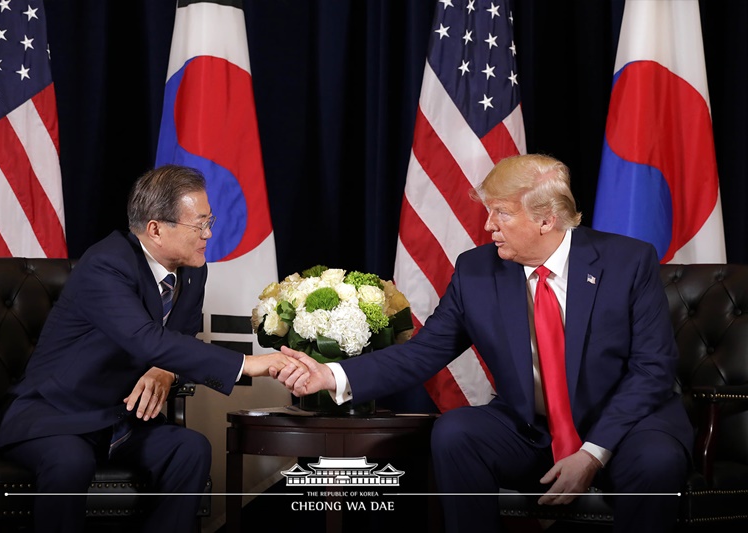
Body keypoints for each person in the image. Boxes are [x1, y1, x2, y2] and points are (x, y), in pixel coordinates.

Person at [273, 154, 693, 533]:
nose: (488, 225)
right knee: (457, 432)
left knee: (657, 460)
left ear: (546, 219)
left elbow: (652, 369)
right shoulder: (476, 271)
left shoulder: (628, 261)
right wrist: (331, 375)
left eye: (501, 214)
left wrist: (593, 451)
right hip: (533, 431)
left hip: (625, 428)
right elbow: (425, 352)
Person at [0, 164, 296, 533]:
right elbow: (144, 338)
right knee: (70, 462)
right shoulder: (105, 264)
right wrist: (249, 364)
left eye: (209, 220)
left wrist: (164, 370)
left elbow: (181, 336)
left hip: (122, 419)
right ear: (155, 228)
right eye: (198, 224)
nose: (209, 233)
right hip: (58, 414)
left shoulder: (193, 268)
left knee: (191, 449)